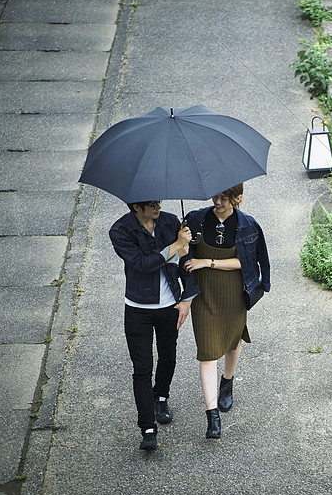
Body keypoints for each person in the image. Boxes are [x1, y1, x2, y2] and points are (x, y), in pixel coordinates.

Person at [109, 200, 197, 451]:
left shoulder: (170, 222)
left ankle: (161, 397)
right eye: (151, 204)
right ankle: (147, 428)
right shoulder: (120, 231)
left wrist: (187, 298)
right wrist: (176, 245)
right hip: (138, 307)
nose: (158, 206)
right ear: (136, 207)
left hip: (169, 305)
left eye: (159, 200)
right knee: (142, 368)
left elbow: (186, 262)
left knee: (168, 356)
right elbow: (144, 264)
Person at [183, 184, 270, 439]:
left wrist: (207, 262)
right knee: (208, 352)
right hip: (204, 294)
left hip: (233, 292)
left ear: (237, 198)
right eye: (216, 196)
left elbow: (249, 261)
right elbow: (183, 255)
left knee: (233, 341)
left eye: (224, 197)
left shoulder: (248, 225)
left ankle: (228, 382)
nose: (218, 201)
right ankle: (212, 416)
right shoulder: (196, 219)